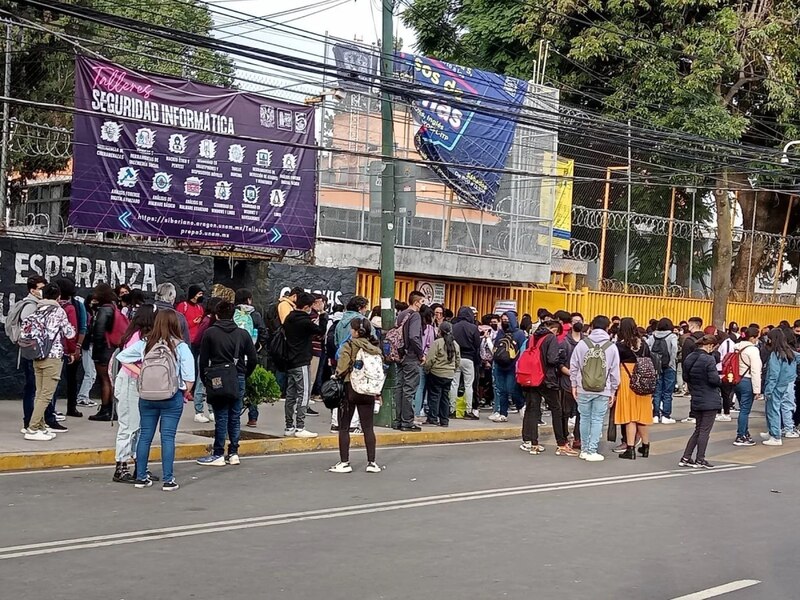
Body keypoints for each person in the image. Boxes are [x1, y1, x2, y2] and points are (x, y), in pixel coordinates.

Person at [116, 310, 195, 491]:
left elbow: (122, 357)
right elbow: (189, 377)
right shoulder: (181, 347)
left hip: (147, 397)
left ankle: (141, 477)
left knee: (145, 436)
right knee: (168, 437)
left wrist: (140, 372)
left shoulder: (146, 343)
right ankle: (168, 480)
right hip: (171, 396)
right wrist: (183, 392)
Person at [196, 301, 258, 466]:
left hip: (217, 378)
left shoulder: (210, 333)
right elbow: (253, 359)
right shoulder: (243, 334)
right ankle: (234, 452)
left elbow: (203, 361)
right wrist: (244, 373)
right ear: (233, 315)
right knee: (235, 416)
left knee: (221, 416)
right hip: (238, 376)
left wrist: (204, 379)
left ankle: (218, 453)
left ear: (217, 315)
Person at [21, 283, 76, 441]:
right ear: (58, 296)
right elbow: (69, 333)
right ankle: (32, 428)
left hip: (37, 355)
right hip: (52, 356)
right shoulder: (59, 311)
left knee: (39, 393)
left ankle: (40, 426)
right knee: (46, 394)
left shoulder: (37, 309)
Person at [328, 317, 382, 474]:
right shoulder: (373, 347)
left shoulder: (349, 345)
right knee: (368, 428)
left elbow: (342, 366)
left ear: (356, 331)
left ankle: (344, 462)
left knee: (344, 427)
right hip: (368, 390)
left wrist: (336, 375)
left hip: (349, 388)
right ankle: (372, 462)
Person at [112, 304, 156, 483]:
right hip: (131, 383)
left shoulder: (138, 335)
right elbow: (125, 360)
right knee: (128, 426)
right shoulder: (138, 338)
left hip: (135, 383)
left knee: (138, 427)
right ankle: (121, 467)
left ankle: (140, 465)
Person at [569, 315, 620, 462]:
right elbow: (614, 372)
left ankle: (584, 449)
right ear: (607, 328)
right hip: (603, 389)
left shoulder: (582, 344)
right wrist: (613, 391)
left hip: (583, 388)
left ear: (591, 326)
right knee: (597, 419)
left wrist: (574, 385)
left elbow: (574, 366)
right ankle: (592, 450)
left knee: (584, 418)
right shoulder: (611, 347)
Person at [521, 320, 576, 456]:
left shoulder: (533, 337)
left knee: (533, 409)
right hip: (546, 379)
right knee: (556, 409)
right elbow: (551, 359)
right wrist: (559, 356)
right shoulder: (550, 338)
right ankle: (561, 443)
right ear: (554, 329)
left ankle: (533, 443)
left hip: (532, 377)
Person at [283, 292, 325, 438]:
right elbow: (320, 331)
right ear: (307, 306)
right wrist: (323, 316)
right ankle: (300, 427)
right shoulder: (305, 321)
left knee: (290, 395)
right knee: (304, 394)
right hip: (302, 360)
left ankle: (289, 426)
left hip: (290, 361)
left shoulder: (289, 318)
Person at [9, 275, 47, 433]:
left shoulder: (34, 303)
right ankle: (29, 422)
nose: (43, 291)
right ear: (33, 290)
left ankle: (32, 421)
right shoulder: (31, 306)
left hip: (30, 351)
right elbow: (28, 328)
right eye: (41, 288)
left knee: (33, 388)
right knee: (32, 387)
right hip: (31, 352)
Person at [679, 335, 722, 468]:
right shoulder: (709, 359)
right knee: (704, 431)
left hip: (696, 396)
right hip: (709, 398)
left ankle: (686, 457)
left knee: (698, 429)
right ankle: (700, 458)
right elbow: (714, 380)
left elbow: (686, 377)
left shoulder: (689, 357)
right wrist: (722, 379)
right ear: (710, 345)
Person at [615, 317, 653, 460]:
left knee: (630, 416)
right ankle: (645, 446)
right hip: (643, 380)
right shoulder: (644, 344)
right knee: (641, 415)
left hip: (627, 379)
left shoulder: (620, 346)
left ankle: (630, 448)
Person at [331, 295, 370, 433]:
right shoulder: (362, 321)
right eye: (365, 307)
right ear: (360, 308)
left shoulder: (340, 321)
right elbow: (370, 341)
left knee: (340, 392)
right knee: (356, 392)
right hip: (357, 361)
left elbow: (335, 341)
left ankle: (336, 423)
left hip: (341, 358)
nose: (366, 310)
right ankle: (352, 424)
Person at [234, 288, 269, 427]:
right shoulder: (255, 315)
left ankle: (234, 415)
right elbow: (263, 333)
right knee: (252, 387)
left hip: (235, 356)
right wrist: (257, 347)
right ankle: (252, 417)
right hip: (251, 355)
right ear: (248, 299)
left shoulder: (233, 312)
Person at [392, 291, 425, 432]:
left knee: (400, 387)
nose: (423, 304)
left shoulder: (401, 314)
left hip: (399, 355)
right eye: (422, 302)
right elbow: (413, 336)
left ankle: (398, 420)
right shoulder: (415, 315)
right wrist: (421, 353)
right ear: (416, 302)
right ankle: (407, 421)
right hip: (411, 356)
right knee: (409, 389)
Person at [88, 283, 118, 422]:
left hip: (103, 350)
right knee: (110, 380)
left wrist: (96, 349)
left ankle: (106, 410)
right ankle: (112, 409)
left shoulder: (104, 310)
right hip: (111, 348)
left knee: (104, 380)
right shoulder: (113, 308)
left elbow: (99, 331)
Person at [760, 328, 796, 446]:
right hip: (785, 384)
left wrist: (768, 390)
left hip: (775, 386)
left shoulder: (775, 355)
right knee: (775, 409)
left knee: (772, 410)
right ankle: (773, 432)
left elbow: (773, 375)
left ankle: (775, 436)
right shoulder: (789, 352)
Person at [488, 311, 526, 422]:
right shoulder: (500, 333)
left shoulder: (519, 334)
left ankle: (521, 405)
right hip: (500, 365)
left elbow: (523, 350)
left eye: (507, 320)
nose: (505, 322)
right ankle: (503, 413)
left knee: (512, 389)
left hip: (512, 366)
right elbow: (495, 347)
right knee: (501, 390)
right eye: (503, 320)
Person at [423, 321, 461, 427]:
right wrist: (453, 370)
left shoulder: (437, 343)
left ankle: (432, 418)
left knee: (434, 396)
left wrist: (427, 369)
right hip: (449, 374)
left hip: (436, 373)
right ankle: (444, 420)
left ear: (440, 331)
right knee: (445, 397)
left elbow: (430, 359)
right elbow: (458, 360)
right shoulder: (455, 344)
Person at [192, 296, 222, 423]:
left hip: (213, 356)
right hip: (206, 355)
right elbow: (197, 339)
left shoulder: (212, 321)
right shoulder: (207, 321)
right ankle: (198, 411)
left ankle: (211, 410)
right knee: (201, 382)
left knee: (214, 383)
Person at [733, 326, 763, 447]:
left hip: (737, 380)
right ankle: (741, 435)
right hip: (748, 381)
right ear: (753, 337)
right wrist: (757, 390)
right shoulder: (753, 350)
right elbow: (756, 370)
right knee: (745, 410)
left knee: (742, 408)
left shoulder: (737, 347)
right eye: (757, 337)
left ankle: (745, 432)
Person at [451, 306, 481, 420]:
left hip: (455, 358)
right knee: (469, 385)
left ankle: (452, 409)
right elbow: (477, 344)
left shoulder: (454, 327)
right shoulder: (473, 328)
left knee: (454, 384)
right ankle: (468, 411)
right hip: (469, 359)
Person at [559, 316, 584, 449]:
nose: (578, 323)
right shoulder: (564, 342)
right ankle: (563, 436)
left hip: (583, 383)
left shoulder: (587, 342)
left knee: (581, 412)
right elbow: (560, 363)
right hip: (567, 382)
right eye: (575, 321)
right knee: (565, 411)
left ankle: (578, 438)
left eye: (580, 321)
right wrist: (570, 373)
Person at [648, 317, 678, 424]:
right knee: (668, 392)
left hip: (656, 367)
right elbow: (674, 349)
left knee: (657, 391)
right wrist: (671, 361)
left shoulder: (652, 336)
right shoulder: (672, 336)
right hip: (669, 367)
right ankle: (666, 415)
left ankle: (655, 415)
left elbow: (648, 348)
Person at [679, 316, 705, 422]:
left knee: (694, 394)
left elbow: (686, 359)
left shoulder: (689, 340)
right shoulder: (707, 338)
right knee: (703, 393)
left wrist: (686, 376)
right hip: (705, 370)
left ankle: (693, 414)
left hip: (693, 372)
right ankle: (702, 414)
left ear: (693, 325)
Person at [414, 304, 435, 419]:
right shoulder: (430, 329)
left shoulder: (414, 325)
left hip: (411, 358)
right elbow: (430, 345)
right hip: (423, 359)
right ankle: (417, 412)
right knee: (420, 387)